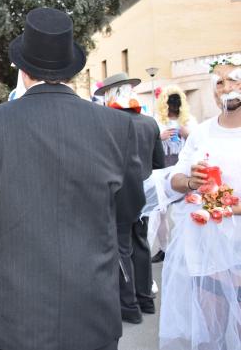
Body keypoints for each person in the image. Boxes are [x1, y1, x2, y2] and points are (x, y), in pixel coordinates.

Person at [0, 7, 145, 350]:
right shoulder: (117, 127)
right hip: (91, 308)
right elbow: (129, 210)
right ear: (71, 69)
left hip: (13, 312)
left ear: (24, 71)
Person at [158, 57, 241, 350]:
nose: (226, 87)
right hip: (207, 253)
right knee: (212, 333)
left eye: (234, 79)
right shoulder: (202, 133)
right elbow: (174, 180)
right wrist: (191, 181)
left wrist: (233, 206)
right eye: (219, 82)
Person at [95, 73, 166, 323]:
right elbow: (159, 162)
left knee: (122, 248)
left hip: (120, 194)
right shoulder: (149, 122)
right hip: (145, 192)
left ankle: (129, 306)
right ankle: (145, 299)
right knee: (141, 244)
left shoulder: (108, 123)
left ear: (111, 94)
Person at [152, 86, 197, 263]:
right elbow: (148, 141)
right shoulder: (156, 121)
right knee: (160, 213)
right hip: (161, 172)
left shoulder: (189, 121)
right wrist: (159, 137)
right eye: (170, 101)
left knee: (186, 211)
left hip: (183, 173)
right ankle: (164, 249)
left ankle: (185, 249)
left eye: (177, 101)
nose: (173, 105)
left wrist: (188, 134)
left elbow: (199, 144)